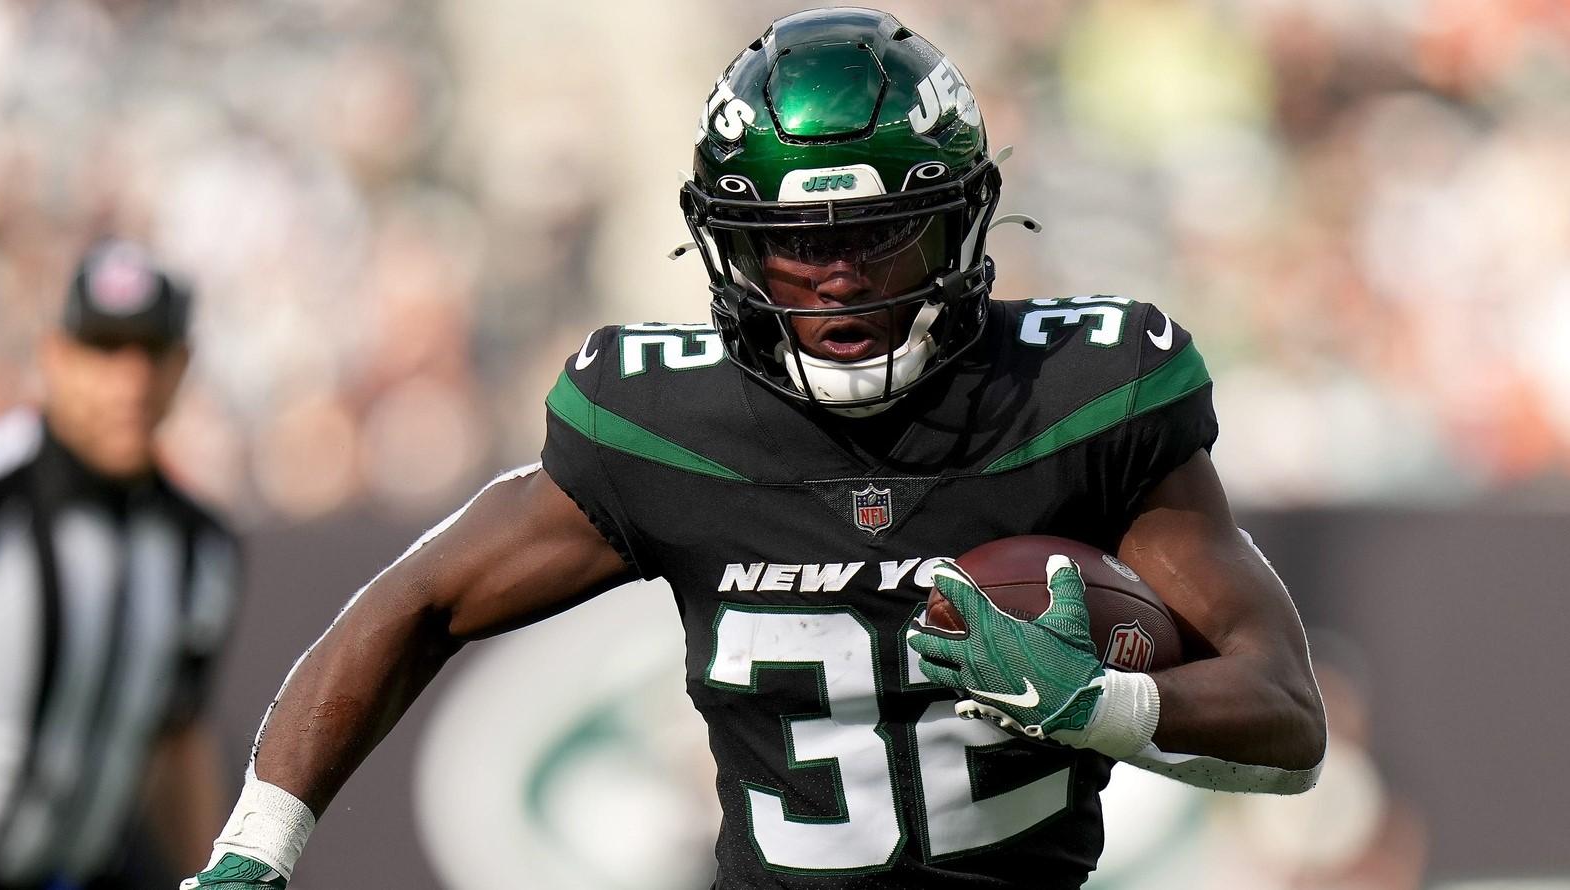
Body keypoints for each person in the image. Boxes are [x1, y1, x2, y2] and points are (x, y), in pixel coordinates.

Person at [184, 8, 1325, 890]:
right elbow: (415, 603)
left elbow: (1286, 713)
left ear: (960, 219)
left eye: (876, 234)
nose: (837, 276)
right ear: (729, 248)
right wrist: (256, 846)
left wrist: (1102, 705)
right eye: (793, 246)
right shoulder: (662, 423)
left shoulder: (1084, 397)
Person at [0, 241, 238, 890]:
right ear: (55, 355)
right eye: (103, 348)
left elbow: (177, 738)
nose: (129, 382)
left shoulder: (197, 543)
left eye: (151, 353)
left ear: (182, 367)